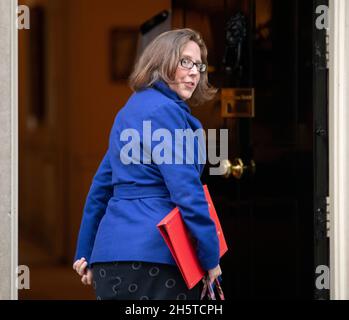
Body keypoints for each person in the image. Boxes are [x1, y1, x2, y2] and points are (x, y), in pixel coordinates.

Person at [72, 28, 222, 300]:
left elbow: (100, 189)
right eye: (184, 61)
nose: (194, 72)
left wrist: (85, 252)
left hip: (109, 262)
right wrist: (210, 256)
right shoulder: (166, 112)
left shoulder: (128, 112)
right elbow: (186, 191)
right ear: (161, 62)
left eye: (199, 65)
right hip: (156, 259)